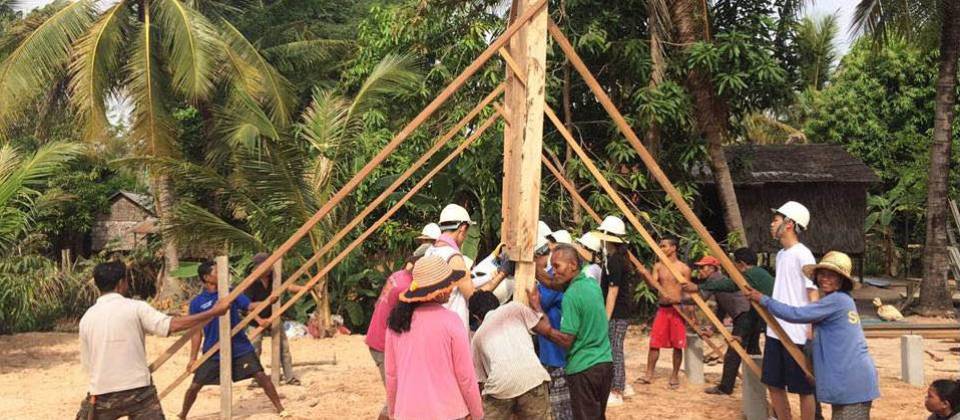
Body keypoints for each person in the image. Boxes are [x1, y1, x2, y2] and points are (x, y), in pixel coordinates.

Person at [75, 261, 229, 420]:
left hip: (101, 393)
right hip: (138, 391)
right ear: (121, 283)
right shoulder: (135, 307)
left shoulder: (87, 318)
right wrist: (213, 312)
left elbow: (88, 365)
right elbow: (171, 325)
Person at [746, 251, 880, 420]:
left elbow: (795, 314)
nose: (825, 279)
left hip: (851, 382)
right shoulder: (840, 300)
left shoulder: (837, 301)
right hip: (851, 379)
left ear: (842, 280)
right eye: (822, 274)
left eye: (831, 276)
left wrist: (764, 299)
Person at [179, 260, 286, 419]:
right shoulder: (197, 302)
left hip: (239, 346)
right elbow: (196, 332)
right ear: (207, 277)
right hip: (213, 349)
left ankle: (280, 408)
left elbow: (248, 306)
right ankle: (183, 414)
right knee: (195, 385)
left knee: (261, 376)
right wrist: (193, 358)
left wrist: (267, 301)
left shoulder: (231, 292)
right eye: (217, 272)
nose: (222, 275)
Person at [385, 255, 483, 420]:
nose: (452, 289)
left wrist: (393, 412)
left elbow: (391, 375)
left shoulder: (396, 323)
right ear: (437, 293)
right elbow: (466, 376)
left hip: (407, 412)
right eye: (448, 285)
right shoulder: (451, 321)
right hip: (449, 412)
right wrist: (477, 413)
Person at [533, 244, 613, 420]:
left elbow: (567, 340)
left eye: (557, 266)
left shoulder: (571, 295)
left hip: (583, 368)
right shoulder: (590, 283)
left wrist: (544, 329)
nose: (553, 272)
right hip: (604, 364)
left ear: (572, 265)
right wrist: (535, 268)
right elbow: (552, 283)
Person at [681, 248, 773, 395]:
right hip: (751, 315)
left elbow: (703, 297)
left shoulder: (719, 279)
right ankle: (755, 385)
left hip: (745, 316)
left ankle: (726, 387)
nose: (700, 270)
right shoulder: (755, 274)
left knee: (734, 351)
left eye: (702, 267)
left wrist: (676, 298)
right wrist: (713, 328)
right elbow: (722, 308)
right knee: (753, 351)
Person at [764, 201, 819, 420]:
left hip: (796, 331)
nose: (771, 224)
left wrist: (811, 326)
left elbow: (812, 293)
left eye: (776, 220)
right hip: (775, 329)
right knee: (773, 382)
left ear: (789, 224)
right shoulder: (781, 255)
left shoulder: (803, 255)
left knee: (803, 388)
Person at [469, 291, 551, 419]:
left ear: (476, 317)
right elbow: (546, 327)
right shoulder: (515, 308)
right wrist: (537, 306)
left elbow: (480, 382)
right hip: (533, 378)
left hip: (500, 388)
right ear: (497, 302)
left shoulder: (477, 338)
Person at [366, 255, 418, 420]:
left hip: (377, 336)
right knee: (396, 396)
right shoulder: (407, 287)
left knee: (397, 393)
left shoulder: (398, 275)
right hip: (383, 344)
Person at [638, 236, 690, 389]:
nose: (661, 249)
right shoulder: (658, 266)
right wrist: (645, 275)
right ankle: (649, 374)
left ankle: (674, 375)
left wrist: (687, 310)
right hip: (663, 309)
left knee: (677, 345)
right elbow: (654, 285)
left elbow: (687, 293)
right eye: (660, 246)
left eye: (664, 246)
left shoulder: (684, 268)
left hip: (677, 310)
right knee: (654, 343)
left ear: (674, 248)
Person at [244, 253, 304, 386]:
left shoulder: (275, 276)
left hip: (274, 315)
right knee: (255, 349)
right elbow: (247, 306)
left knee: (283, 347)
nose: (269, 268)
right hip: (256, 319)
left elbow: (288, 286)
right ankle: (256, 379)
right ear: (258, 266)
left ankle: (289, 377)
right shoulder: (251, 282)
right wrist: (260, 321)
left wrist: (305, 288)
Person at [425, 203, 477, 329]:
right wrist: (500, 275)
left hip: (432, 325)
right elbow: (473, 297)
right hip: (452, 329)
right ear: (462, 228)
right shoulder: (453, 257)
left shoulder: (430, 252)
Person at [598, 232, 633, 406]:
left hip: (618, 313)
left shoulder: (615, 261)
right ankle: (622, 384)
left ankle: (617, 389)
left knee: (614, 349)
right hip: (620, 312)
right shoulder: (615, 259)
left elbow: (613, 291)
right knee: (615, 347)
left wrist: (606, 317)